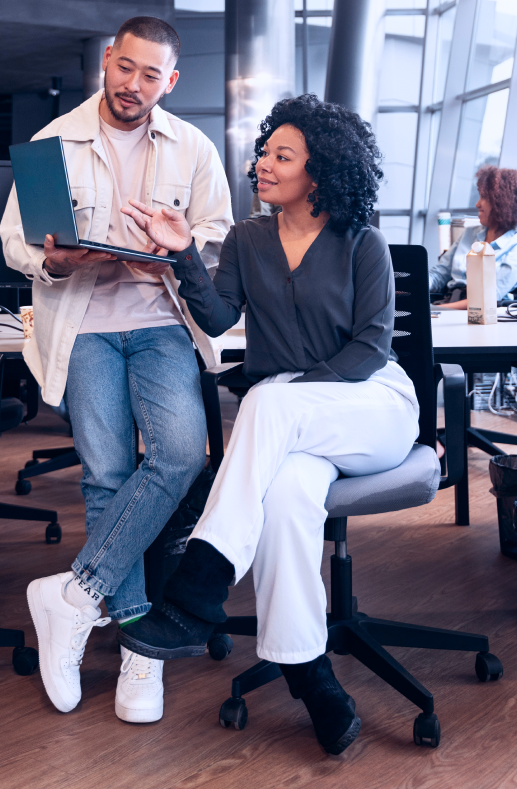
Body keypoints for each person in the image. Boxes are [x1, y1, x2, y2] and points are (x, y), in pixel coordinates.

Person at [117, 94, 420, 756]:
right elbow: (220, 318)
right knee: (283, 502)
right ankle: (314, 679)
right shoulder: (249, 239)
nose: (262, 163)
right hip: (290, 421)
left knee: (267, 401)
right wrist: (182, 254)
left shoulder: (360, 241)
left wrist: (287, 399)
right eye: (263, 151)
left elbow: (371, 347)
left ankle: (198, 587)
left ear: (320, 172)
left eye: (282, 155)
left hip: (372, 406)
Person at [0, 16, 232, 724]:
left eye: (151, 75)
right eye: (126, 68)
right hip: (85, 327)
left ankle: (72, 596)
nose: (135, 86)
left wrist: (179, 243)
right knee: (104, 477)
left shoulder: (192, 147)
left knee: (179, 457)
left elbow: (219, 238)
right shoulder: (53, 142)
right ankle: (140, 656)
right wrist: (53, 260)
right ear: (109, 59)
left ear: (172, 81)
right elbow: (13, 240)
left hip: (161, 322)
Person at [431, 166, 517, 310]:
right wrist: (411, 287)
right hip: (447, 303)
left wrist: (437, 310)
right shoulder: (468, 234)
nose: (477, 204)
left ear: (503, 203)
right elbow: (439, 274)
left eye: (484, 197)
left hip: (479, 313)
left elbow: (489, 297)